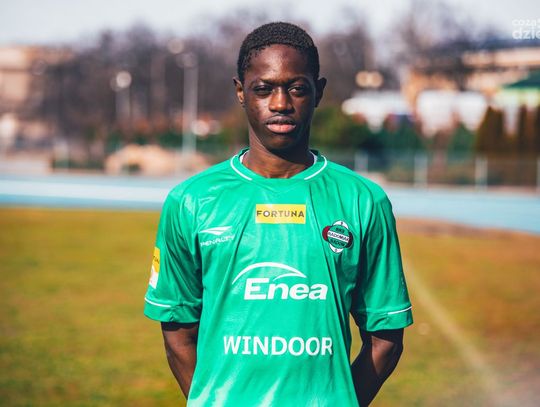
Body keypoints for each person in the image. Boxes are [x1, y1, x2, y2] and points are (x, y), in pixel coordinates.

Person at [144, 22, 413, 406]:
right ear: (241, 92)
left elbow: (385, 337)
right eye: (263, 89)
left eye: (297, 88)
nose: (281, 103)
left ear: (319, 91)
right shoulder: (191, 201)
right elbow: (177, 332)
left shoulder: (363, 201)